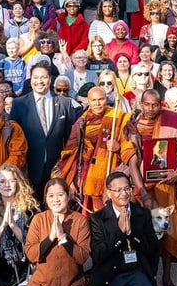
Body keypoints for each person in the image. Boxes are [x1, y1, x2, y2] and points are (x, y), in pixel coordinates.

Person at [125, 89, 177, 286]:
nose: (151, 109)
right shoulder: (131, 125)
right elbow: (131, 161)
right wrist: (141, 191)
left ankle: (166, 275)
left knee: (164, 230)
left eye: (155, 104)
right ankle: (145, 274)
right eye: (147, 104)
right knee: (142, 233)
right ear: (141, 104)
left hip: (165, 184)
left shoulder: (174, 122)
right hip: (140, 186)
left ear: (160, 104)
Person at [87, 171, 161, 286]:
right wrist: (119, 235)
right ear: (109, 193)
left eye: (127, 189)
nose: (123, 194)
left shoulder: (141, 213)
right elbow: (98, 255)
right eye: (118, 190)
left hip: (134, 270)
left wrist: (132, 234)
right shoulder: (98, 219)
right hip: (110, 274)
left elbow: (153, 248)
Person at [56, 86, 138, 214]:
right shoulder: (81, 122)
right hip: (86, 173)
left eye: (101, 99)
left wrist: (118, 147)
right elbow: (71, 151)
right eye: (94, 100)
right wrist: (71, 179)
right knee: (91, 213)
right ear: (88, 101)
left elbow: (132, 147)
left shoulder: (119, 117)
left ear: (107, 99)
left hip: (111, 169)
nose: (98, 104)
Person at [24, 178, 91, 286]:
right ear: (46, 198)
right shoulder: (38, 220)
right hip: (42, 284)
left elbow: (83, 256)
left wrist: (63, 238)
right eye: (51, 196)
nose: (56, 200)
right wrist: (50, 238)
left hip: (69, 285)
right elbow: (30, 254)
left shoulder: (80, 221)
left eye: (60, 195)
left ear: (68, 196)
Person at [9, 62, 77, 197]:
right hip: (28, 170)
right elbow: (13, 138)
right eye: (36, 77)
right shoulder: (19, 104)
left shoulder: (64, 103)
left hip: (56, 170)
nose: (40, 81)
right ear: (30, 79)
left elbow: (70, 140)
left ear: (50, 79)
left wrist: (66, 168)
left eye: (43, 77)